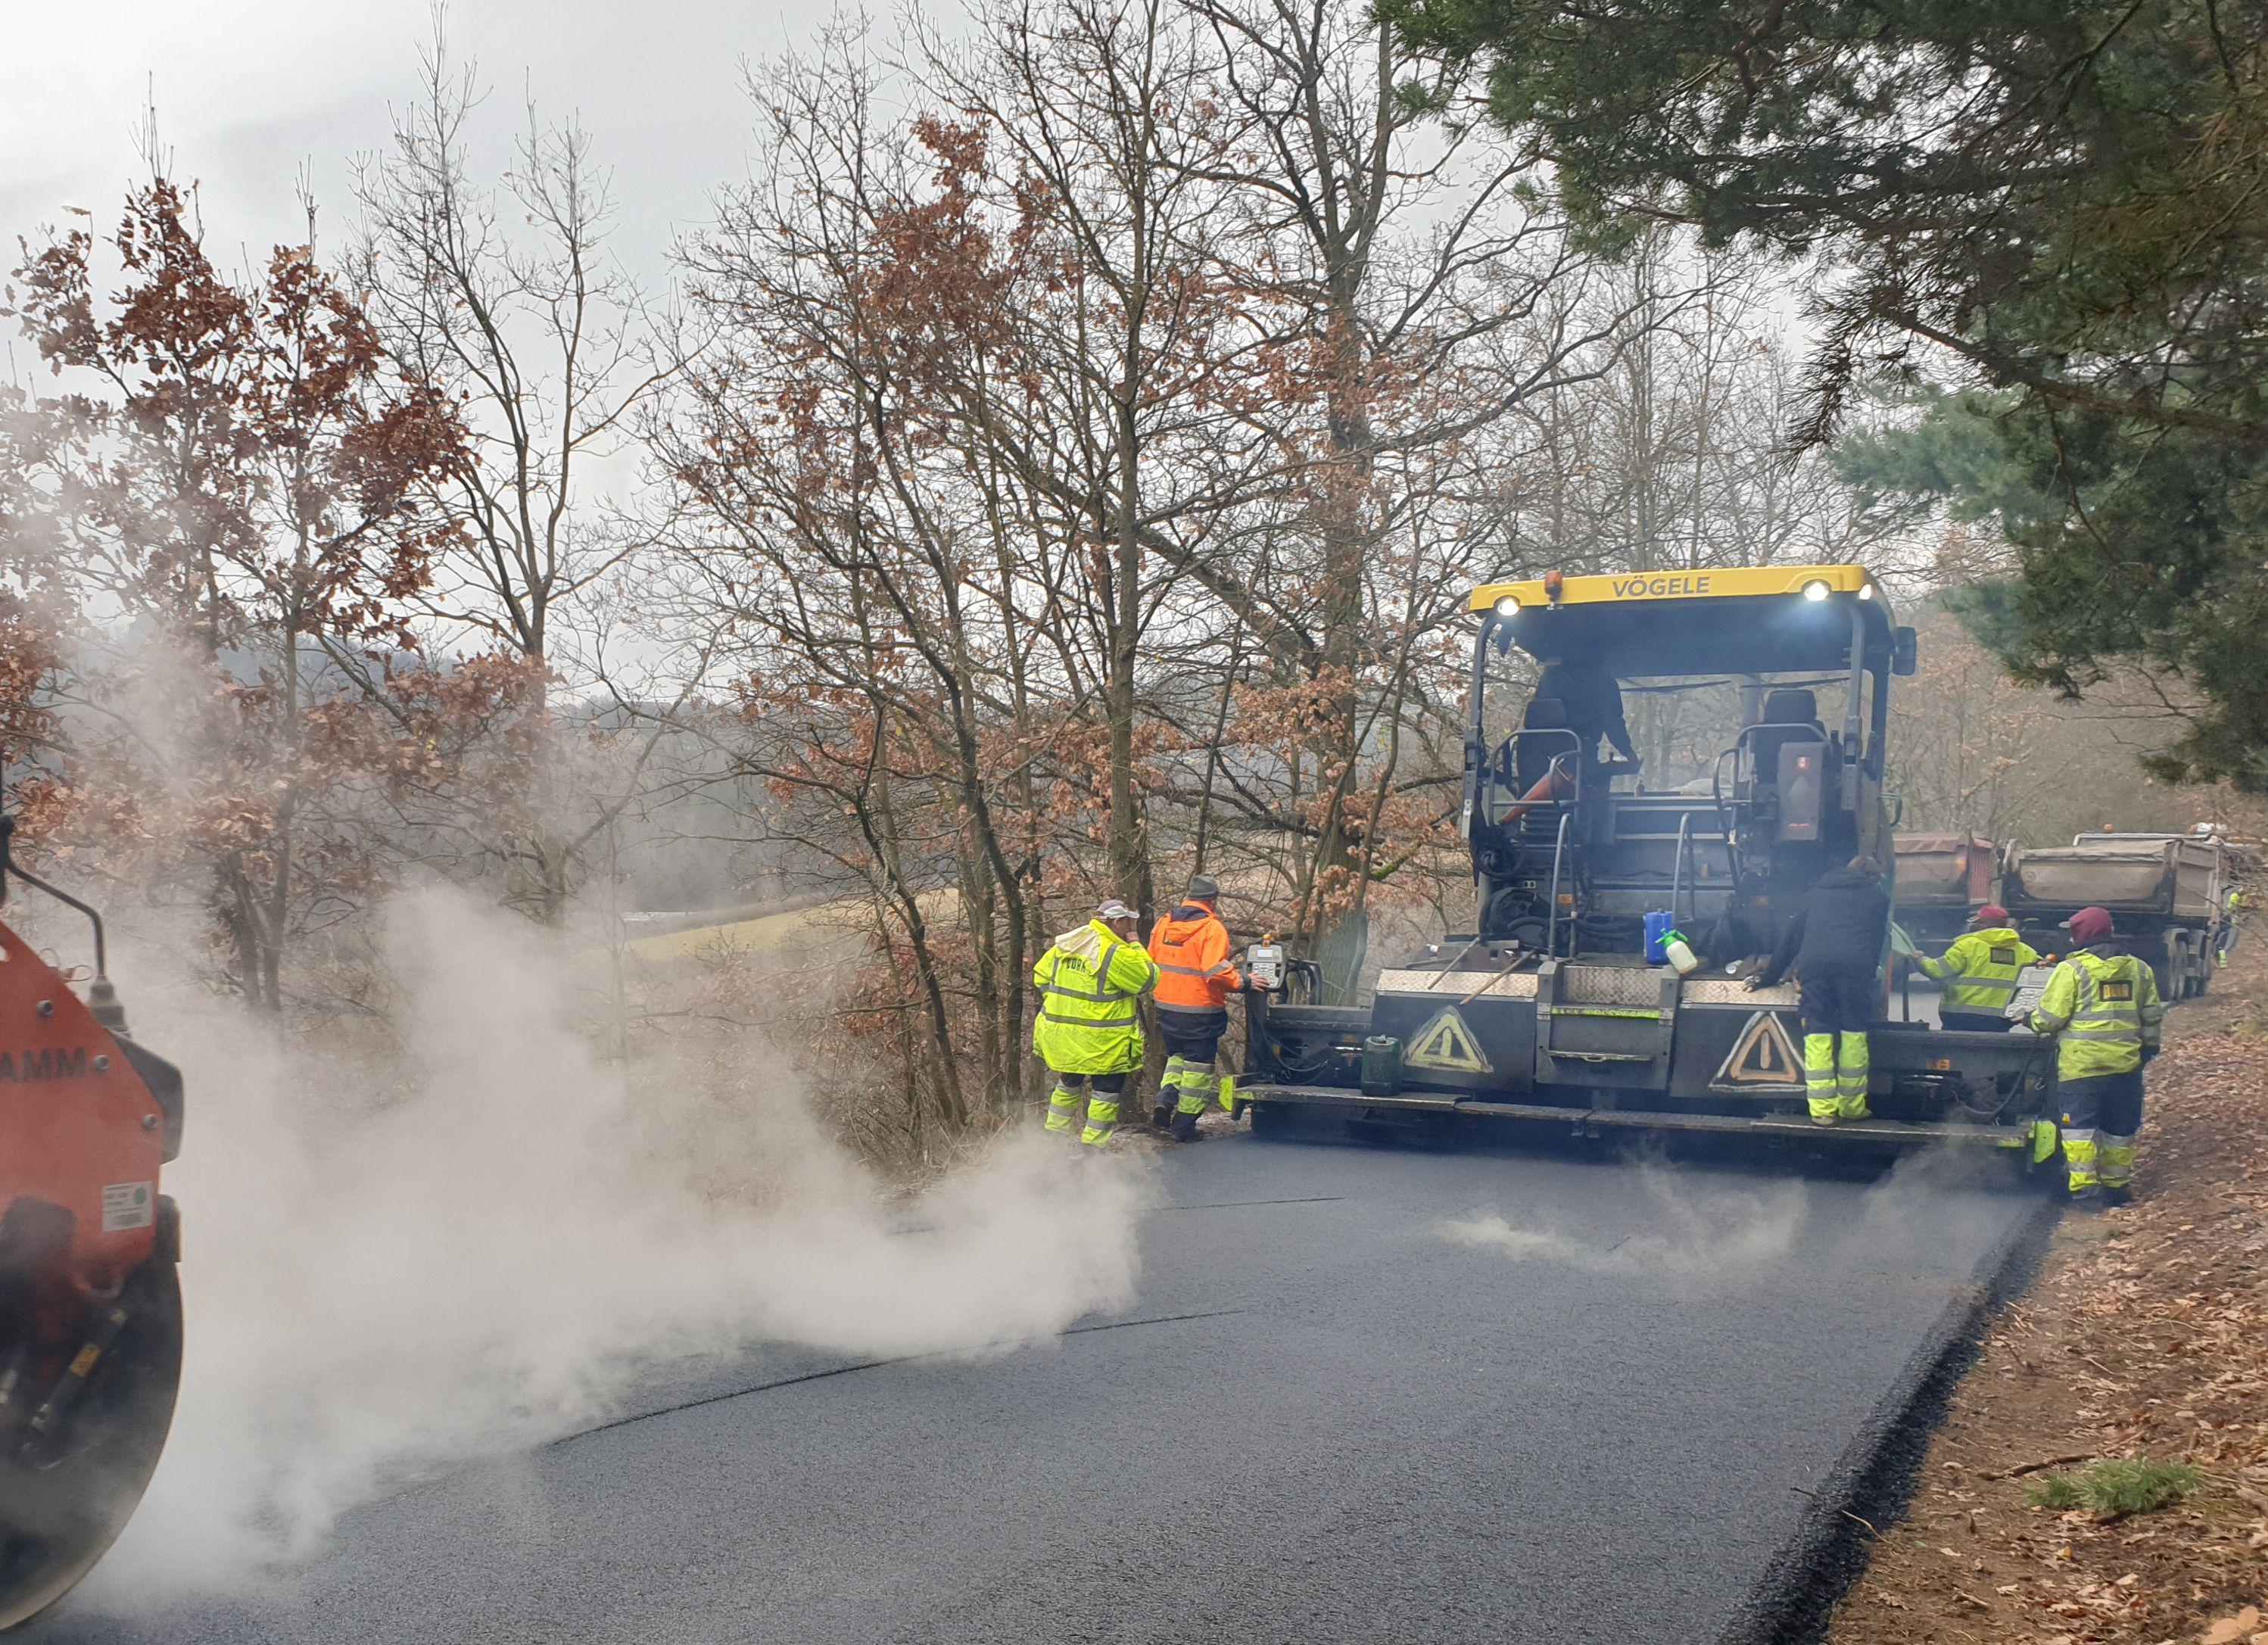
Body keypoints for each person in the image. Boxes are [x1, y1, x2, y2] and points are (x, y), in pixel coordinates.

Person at [2029, 905, 2164, 1204]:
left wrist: (2030, 1020)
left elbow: (2049, 1020)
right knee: (2120, 1128)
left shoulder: (2072, 970)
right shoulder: (2140, 969)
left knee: (2079, 1130)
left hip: (2082, 1068)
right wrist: (2148, 1050)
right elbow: (2152, 1016)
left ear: (2080, 936)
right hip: (2125, 1067)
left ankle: (2084, 1189)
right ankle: (2117, 1188)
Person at [1750, 855, 1891, 1124]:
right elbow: (1876, 940)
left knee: (1818, 1035)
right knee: (1853, 1036)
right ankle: (1852, 1107)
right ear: (1873, 877)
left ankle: (1823, 1111)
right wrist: (1868, 973)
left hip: (1815, 970)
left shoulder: (1816, 894)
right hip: (1855, 972)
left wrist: (1768, 977)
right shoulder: (1878, 899)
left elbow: (1791, 939)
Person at [1033, 899, 1160, 1148]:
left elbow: (1041, 976)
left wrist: (1062, 1005)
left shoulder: (1069, 942)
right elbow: (1148, 978)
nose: (1130, 927)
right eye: (1128, 922)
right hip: (1103, 1043)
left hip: (1065, 1037)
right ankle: (1092, 1147)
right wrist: (1136, 945)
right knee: (1106, 1093)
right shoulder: (1114, 952)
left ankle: (1053, 1141)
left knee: (1068, 1085)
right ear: (1116, 922)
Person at [1145, 874, 1244, 1142]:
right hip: (1201, 1011)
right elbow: (1215, 972)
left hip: (1167, 1008)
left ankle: (1165, 1099)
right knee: (1198, 1070)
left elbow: (1150, 961)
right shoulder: (1212, 929)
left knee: (1177, 1057)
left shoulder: (1164, 923)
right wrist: (1243, 981)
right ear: (1212, 902)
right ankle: (1184, 1127)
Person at [1917, 904, 2039, 1032]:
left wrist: (1919, 960)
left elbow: (1937, 971)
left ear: (1986, 924)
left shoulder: (1968, 946)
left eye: (1978, 922)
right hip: (2001, 1020)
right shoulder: (2027, 952)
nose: (1973, 926)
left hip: (1960, 1018)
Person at [1534, 658, 1637, 769]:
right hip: (1580, 752)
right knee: (1590, 779)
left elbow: (1536, 709)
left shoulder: (1549, 677)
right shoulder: (1604, 681)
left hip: (1540, 752)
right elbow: (1612, 721)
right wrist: (1627, 752)